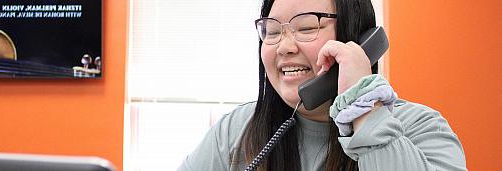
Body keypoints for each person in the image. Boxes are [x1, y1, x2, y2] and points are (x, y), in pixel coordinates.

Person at [178, 0, 466, 170]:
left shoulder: (422, 127)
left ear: (356, 39)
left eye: (306, 27)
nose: (283, 47)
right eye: (273, 31)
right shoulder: (237, 130)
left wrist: (363, 107)